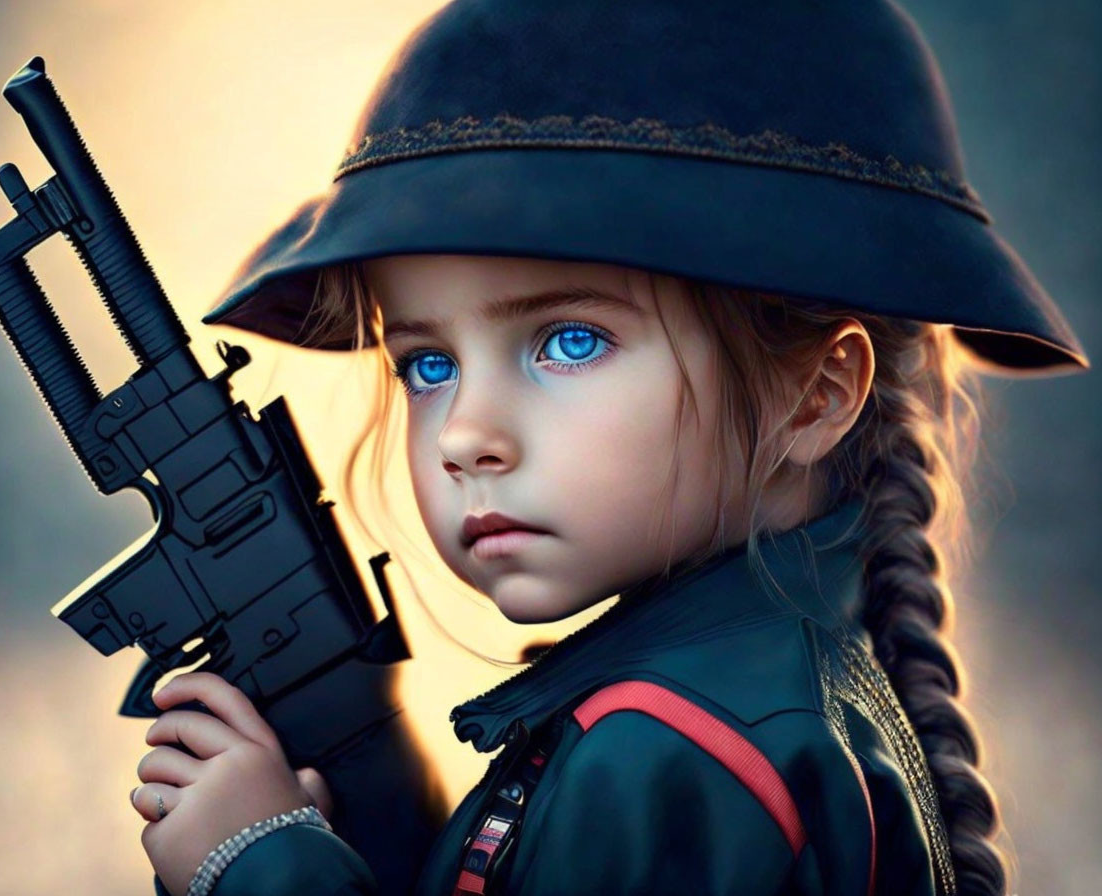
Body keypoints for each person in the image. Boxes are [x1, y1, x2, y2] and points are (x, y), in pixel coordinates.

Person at [128, 1, 1089, 895]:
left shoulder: (671, 753)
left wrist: (264, 864)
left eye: (568, 341)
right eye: (425, 365)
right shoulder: (730, 706)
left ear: (815, 394)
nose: (466, 435)